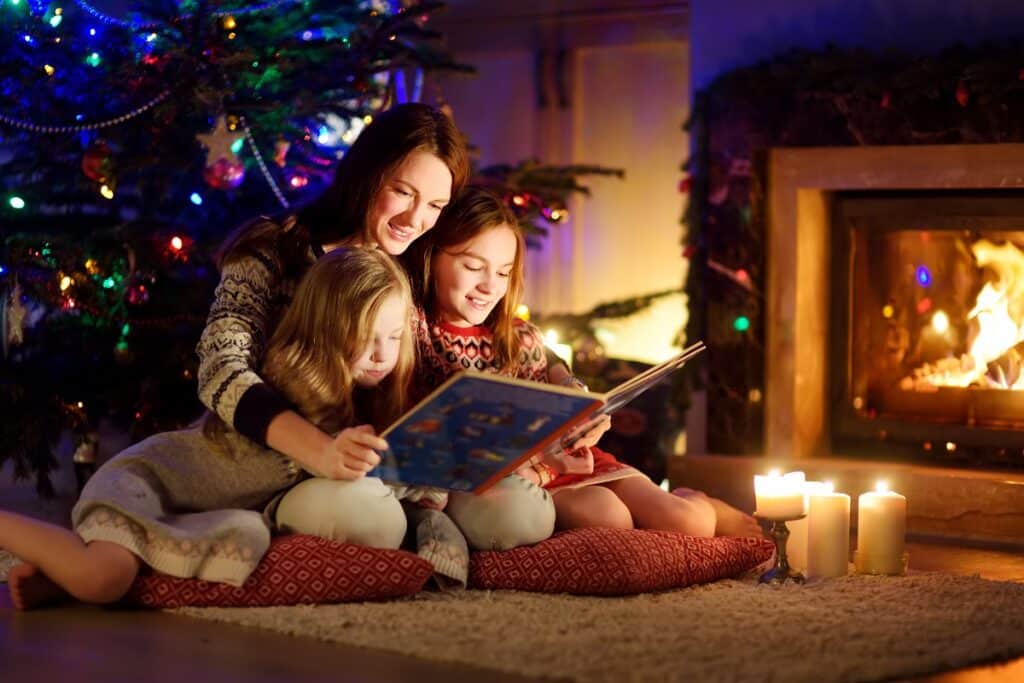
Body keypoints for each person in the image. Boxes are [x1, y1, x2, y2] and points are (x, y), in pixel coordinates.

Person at [1, 248, 420, 610]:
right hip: (146, 483)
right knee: (103, 580)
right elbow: (315, 452)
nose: (383, 354)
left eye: (395, 336)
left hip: (196, 513)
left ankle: (56, 577)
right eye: (366, 336)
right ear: (326, 328)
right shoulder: (292, 379)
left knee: (146, 571)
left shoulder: (368, 396)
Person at [195, 103, 471, 584]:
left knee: (513, 515)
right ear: (366, 176)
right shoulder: (273, 249)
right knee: (373, 519)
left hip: (389, 466)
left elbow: (490, 330)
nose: (416, 218)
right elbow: (221, 369)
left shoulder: (418, 265)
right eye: (402, 192)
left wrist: (558, 385)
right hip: (280, 463)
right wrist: (321, 451)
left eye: (435, 205)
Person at [404, 186, 762, 539]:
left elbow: (560, 377)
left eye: (502, 273)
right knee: (609, 519)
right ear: (432, 256)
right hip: (527, 477)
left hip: (575, 459)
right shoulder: (414, 333)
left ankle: (702, 504)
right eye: (472, 266)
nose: (488, 286)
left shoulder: (518, 336)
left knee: (688, 522)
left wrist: (584, 412)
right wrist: (545, 462)